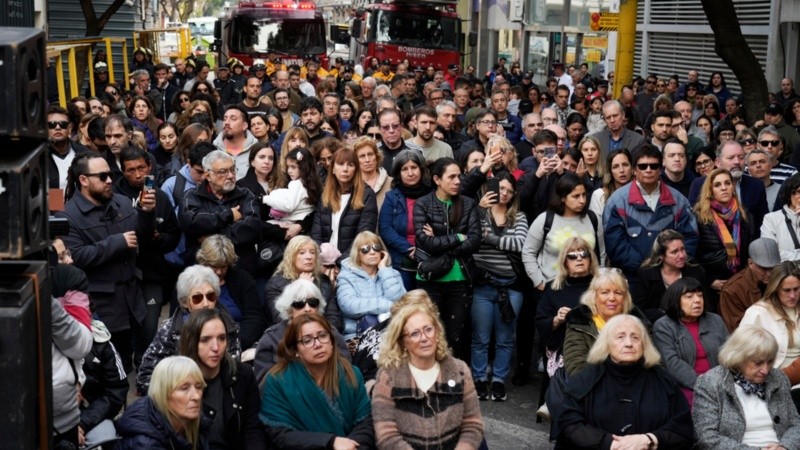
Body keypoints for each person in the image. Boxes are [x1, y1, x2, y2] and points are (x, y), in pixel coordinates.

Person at [59, 153, 155, 372]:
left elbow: (143, 237)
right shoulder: (69, 216)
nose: (110, 180)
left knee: (142, 353)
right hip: (103, 306)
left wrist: (147, 213)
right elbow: (76, 256)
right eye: (102, 176)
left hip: (134, 298)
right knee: (115, 367)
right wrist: (116, 243)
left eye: (110, 175)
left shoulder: (121, 202)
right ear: (83, 180)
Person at [556, 314, 694, 449]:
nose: (628, 343)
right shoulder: (586, 378)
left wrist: (649, 440)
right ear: (607, 343)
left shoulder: (663, 380)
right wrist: (610, 443)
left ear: (644, 344)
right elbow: (569, 424)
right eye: (620, 337)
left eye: (635, 338)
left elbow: (683, 428)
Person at [372, 293, 484, 449]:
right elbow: (386, 434)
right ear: (403, 341)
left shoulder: (459, 370)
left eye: (428, 329)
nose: (424, 338)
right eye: (414, 333)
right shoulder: (388, 376)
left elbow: (472, 424)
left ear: (437, 332)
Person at [260, 313, 374, 449]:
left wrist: (350, 446)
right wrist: (330, 442)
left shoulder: (351, 373)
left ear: (332, 341)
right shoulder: (278, 380)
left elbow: (366, 422)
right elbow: (280, 434)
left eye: (323, 336)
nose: (318, 344)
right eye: (307, 340)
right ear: (295, 350)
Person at [413, 157, 481, 360]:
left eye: (459, 176)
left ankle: (455, 383)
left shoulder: (468, 204)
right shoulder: (423, 204)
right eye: (451, 177)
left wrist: (441, 244)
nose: (458, 181)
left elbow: (475, 241)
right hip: (430, 279)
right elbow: (425, 242)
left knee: (455, 336)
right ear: (437, 179)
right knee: (430, 334)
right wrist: (458, 237)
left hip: (459, 280)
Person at [136, 265, 241, 396]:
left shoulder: (229, 327)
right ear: (185, 302)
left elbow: (234, 372)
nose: (206, 303)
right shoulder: (170, 331)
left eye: (211, 296)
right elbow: (145, 378)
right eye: (197, 298)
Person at [471, 171, 528, 401]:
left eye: (508, 190)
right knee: (480, 337)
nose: (503, 194)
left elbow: (520, 244)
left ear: (514, 194)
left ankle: (498, 380)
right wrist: (478, 208)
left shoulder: (520, 217)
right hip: (483, 285)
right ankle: (479, 379)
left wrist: (491, 239)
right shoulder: (480, 213)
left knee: (505, 338)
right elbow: (472, 236)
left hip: (511, 286)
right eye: (500, 189)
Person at [693, 325, 800, 448]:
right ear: (739, 358)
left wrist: (785, 446)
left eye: (769, 362)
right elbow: (707, 437)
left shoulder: (777, 378)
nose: (765, 370)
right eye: (758, 363)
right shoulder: (711, 383)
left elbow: (795, 424)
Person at [603, 144, 699, 278]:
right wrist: (644, 269)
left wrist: (668, 266)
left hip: (672, 277)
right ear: (634, 170)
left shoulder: (679, 200)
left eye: (654, 166)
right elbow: (615, 244)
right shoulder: (616, 202)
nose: (648, 170)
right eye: (643, 166)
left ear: (660, 169)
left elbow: (690, 238)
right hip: (632, 279)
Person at [179, 309, 268, 449]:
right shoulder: (177, 381)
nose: (216, 347)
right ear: (192, 342)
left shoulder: (243, 375)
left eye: (221, 338)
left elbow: (253, 430)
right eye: (205, 340)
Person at [254, 278, 350, 383]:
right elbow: (264, 384)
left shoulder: (331, 332)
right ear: (288, 309)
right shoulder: (271, 338)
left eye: (313, 303)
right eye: (299, 304)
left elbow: (347, 371)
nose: (307, 308)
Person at [179, 150, 261, 272]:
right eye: (223, 172)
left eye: (233, 170)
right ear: (208, 176)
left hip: (240, 269)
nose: (231, 176)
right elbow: (192, 222)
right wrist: (228, 215)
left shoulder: (245, 195)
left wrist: (210, 238)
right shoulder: (192, 196)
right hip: (202, 271)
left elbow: (251, 227)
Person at [653, 277, 729, 407]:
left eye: (700, 296)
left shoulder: (715, 320)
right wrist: (703, 384)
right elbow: (672, 363)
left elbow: (730, 353)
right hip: (685, 387)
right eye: (689, 297)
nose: (697, 300)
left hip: (721, 383)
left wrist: (723, 381)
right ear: (676, 300)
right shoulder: (664, 326)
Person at [523, 172, 603, 291]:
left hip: (588, 288)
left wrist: (599, 281)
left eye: (584, 195)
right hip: (553, 287)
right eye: (576, 196)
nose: (582, 200)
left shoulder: (592, 218)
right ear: (563, 198)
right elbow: (528, 252)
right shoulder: (545, 220)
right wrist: (539, 282)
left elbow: (601, 253)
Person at [562, 268, 648, 376]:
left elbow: (653, 363)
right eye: (605, 292)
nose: (612, 298)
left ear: (625, 298)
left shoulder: (639, 324)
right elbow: (575, 369)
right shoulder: (579, 323)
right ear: (594, 296)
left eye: (618, 293)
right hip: (593, 387)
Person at [116, 356, 208, 449]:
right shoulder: (145, 444)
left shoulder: (195, 424)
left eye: (198, 387)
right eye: (184, 388)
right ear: (162, 393)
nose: (196, 396)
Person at [311, 147, 379, 272]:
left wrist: (339, 264)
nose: (345, 169)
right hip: (324, 265)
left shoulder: (367, 195)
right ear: (333, 169)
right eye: (340, 164)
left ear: (356, 170)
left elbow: (363, 236)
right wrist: (323, 261)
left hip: (353, 264)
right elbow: (316, 233)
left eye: (350, 165)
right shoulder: (325, 194)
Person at [694, 168, 751, 308]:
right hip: (711, 287)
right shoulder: (699, 218)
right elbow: (693, 257)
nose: (724, 188)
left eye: (727, 183)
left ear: (733, 186)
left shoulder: (745, 216)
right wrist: (709, 281)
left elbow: (748, 253)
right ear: (710, 190)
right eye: (717, 185)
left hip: (740, 284)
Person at [336, 231, 406, 344]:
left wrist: (383, 269)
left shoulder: (391, 273)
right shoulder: (346, 276)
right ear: (357, 254)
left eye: (376, 247)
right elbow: (350, 306)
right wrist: (390, 305)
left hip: (392, 333)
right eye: (365, 249)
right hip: (357, 335)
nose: (372, 252)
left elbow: (401, 300)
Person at [264, 235, 344, 332]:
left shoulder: (323, 281)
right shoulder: (275, 285)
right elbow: (281, 320)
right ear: (291, 257)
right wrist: (301, 287)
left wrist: (319, 333)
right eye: (302, 253)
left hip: (322, 335)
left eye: (312, 252)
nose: (309, 257)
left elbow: (335, 320)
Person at [378, 150, 431, 291]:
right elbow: (385, 228)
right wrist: (409, 249)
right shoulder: (392, 197)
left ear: (421, 169)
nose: (410, 173)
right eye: (405, 169)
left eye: (414, 167)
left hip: (431, 258)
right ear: (398, 173)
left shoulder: (433, 194)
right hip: (401, 259)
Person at [740, 261, 800, 385]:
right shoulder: (757, 313)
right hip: (773, 382)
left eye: (796, 289)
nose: (793, 295)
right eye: (787, 290)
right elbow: (743, 354)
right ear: (776, 288)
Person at [634, 230, 709, 323]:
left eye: (682, 249)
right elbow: (640, 310)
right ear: (661, 256)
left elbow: (707, 304)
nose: (682, 255)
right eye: (675, 252)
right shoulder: (645, 275)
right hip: (657, 327)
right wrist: (671, 317)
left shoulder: (695, 271)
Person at [761, 174, 800, 262]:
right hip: (782, 274)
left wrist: (786, 254)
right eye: (799, 192)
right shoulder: (771, 219)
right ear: (790, 193)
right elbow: (770, 253)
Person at [588, 148, 632, 219]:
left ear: (632, 168)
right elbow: (598, 228)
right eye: (615, 167)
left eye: (625, 165)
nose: (621, 170)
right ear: (610, 171)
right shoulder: (599, 196)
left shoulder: (641, 192)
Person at [353, 136, 393, 210]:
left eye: (370, 154)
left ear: (376, 156)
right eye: (362, 156)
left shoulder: (391, 183)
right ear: (355, 160)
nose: (367, 160)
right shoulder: (352, 185)